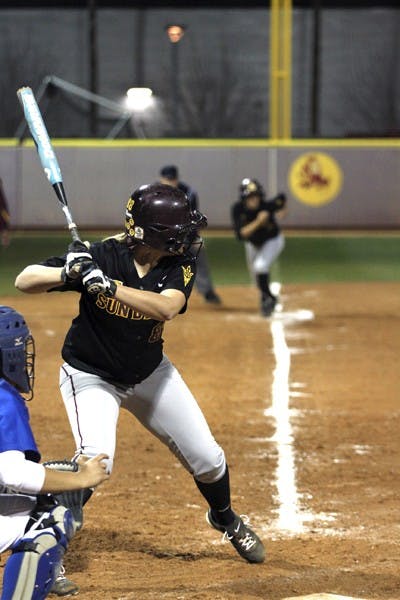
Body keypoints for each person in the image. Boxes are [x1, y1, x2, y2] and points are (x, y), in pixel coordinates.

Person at [15, 183, 265, 572]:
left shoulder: (177, 262)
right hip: (90, 375)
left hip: (150, 373)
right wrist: (70, 271)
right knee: (95, 463)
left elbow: (166, 307)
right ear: (151, 235)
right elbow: (24, 280)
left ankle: (225, 517)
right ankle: (47, 548)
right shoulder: (100, 255)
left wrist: (110, 286)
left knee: (208, 458)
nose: (187, 238)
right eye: (178, 232)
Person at [0, 305, 109, 600]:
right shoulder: (3, 397)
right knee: (51, 513)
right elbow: (15, 474)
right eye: (19, 350)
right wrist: (82, 478)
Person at [159, 165, 222, 305]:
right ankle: (151, 289)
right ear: (161, 179)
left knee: (198, 252)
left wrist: (185, 241)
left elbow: (193, 221)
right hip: (162, 235)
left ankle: (207, 291)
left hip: (186, 234)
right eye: (167, 179)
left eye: (173, 179)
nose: (170, 183)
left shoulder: (189, 193)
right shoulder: (154, 193)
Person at [231, 178, 287, 317]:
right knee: (257, 278)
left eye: (256, 196)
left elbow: (281, 199)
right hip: (252, 244)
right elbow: (241, 234)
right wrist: (259, 221)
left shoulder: (266, 205)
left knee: (260, 267)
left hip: (272, 241)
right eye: (250, 197)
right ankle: (268, 297)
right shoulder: (237, 209)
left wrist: (282, 210)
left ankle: (269, 300)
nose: (254, 199)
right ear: (244, 198)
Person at [0, 178, 10, 248]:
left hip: (2, 212)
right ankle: (5, 241)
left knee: (4, 227)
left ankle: (5, 242)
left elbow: (3, 205)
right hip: (3, 211)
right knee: (4, 227)